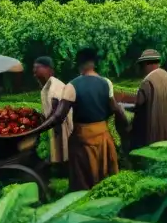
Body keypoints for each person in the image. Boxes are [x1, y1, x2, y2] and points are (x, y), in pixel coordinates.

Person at [33, 48, 129, 191]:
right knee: (104, 178)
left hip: (83, 139)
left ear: (78, 64)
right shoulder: (105, 83)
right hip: (103, 135)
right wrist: (126, 129)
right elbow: (116, 110)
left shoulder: (72, 85)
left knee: (83, 180)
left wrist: (37, 130)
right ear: (94, 63)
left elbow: (58, 116)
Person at [131, 49, 167, 149]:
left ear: (146, 64)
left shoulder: (147, 81)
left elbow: (139, 104)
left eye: (142, 66)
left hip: (151, 130)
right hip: (166, 130)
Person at [32, 56, 72, 165]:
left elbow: (56, 116)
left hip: (61, 126)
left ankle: (63, 166)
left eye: (37, 71)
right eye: (34, 73)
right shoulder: (48, 87)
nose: (35, 75)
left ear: (49, 69)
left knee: (63, 149)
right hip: (56, 127)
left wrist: (35, 130)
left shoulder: (55, 88)